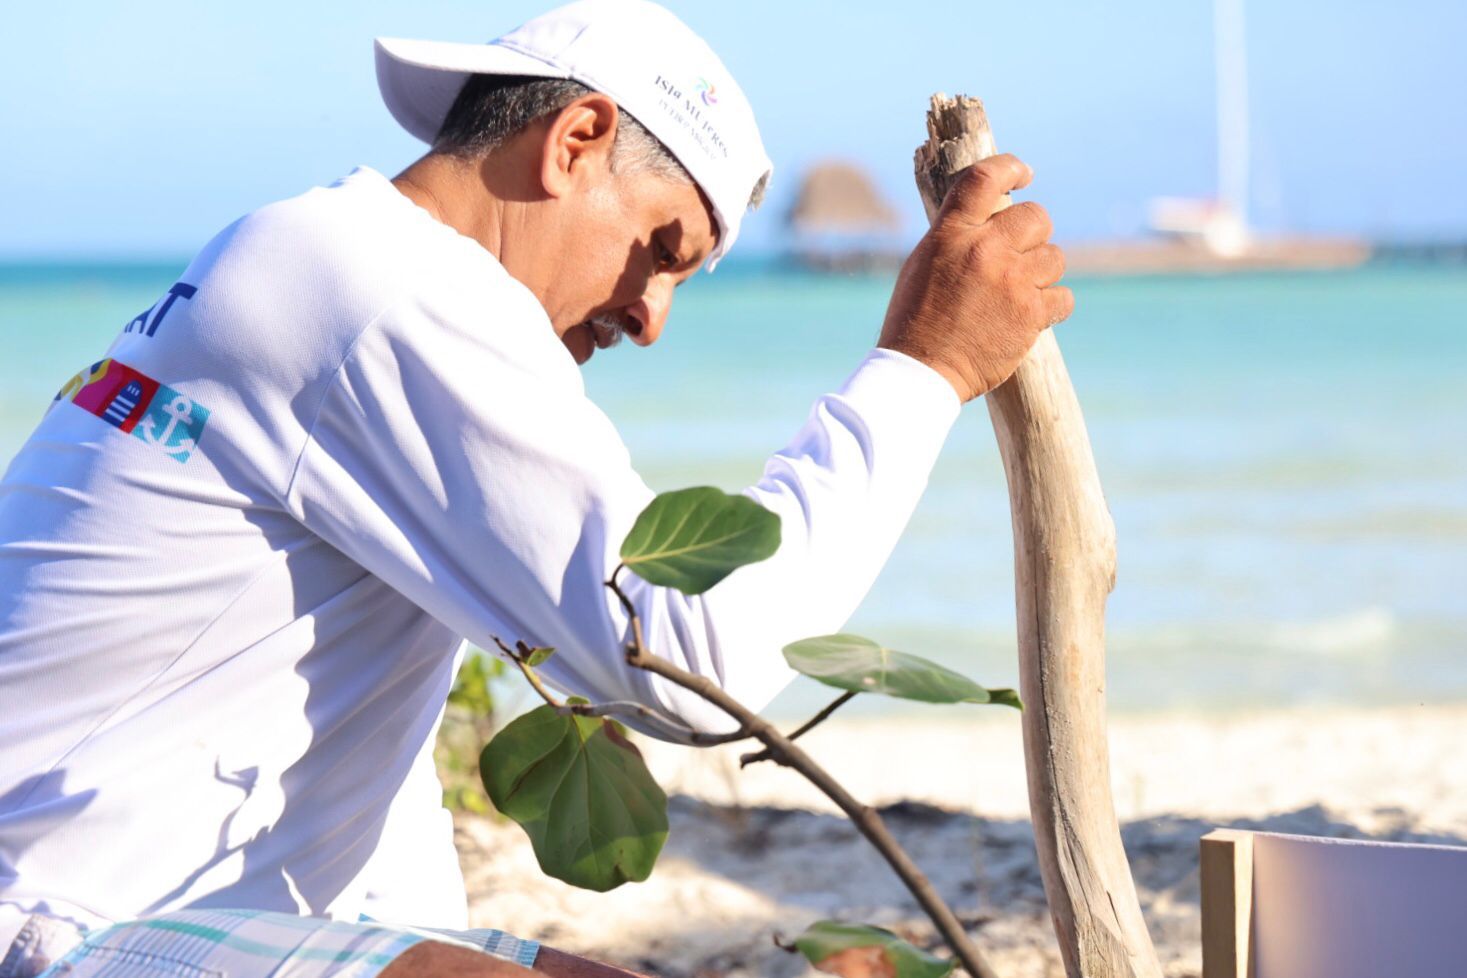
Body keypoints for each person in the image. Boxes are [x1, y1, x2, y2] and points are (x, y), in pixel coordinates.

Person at [0, 1, 1071, 976]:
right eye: (660, 248)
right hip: (56, 922)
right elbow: (693, 656)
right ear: (576, 142)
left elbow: (367, 782)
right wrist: (925, 367)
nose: (651, 316)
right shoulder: (381, 282)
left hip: (120, 906)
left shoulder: (320, 251)